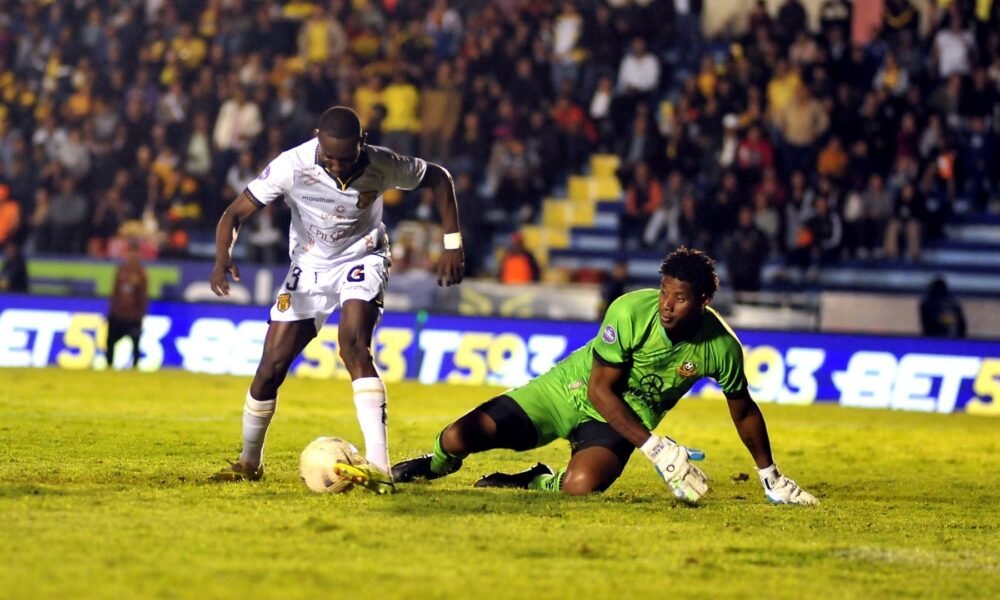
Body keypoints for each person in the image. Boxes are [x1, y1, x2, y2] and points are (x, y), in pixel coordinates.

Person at [392, 248, 818, 505]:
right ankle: (434, 465)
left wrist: (770, 476)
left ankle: (533, 480)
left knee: (579, 486)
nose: (667, 305)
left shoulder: (720, 348)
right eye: (665, 292)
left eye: (681, 298)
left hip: (624, 418)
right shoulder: (630, 310)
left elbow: (743, 411)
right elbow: (599, 388)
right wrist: (655, 448)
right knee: (457, 437)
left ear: (704, 301)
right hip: (569, 390)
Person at [208, 106, 464, 493]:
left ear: (362, 143)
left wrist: (452, 244)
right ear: (317, 139)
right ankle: (249, 461)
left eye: (345, 159)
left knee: (353, 347)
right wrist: (222, 258)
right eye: (329, 157)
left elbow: (440, 178)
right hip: (308, 269)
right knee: (270, 368)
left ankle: (379, 465)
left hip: (363, 258)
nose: (337, 166)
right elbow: (234, 213)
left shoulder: (382, 163)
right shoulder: (290, 166)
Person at [106, 241, 148, 369]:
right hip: (118, 314)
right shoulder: (121, 271)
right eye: (130, 253)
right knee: (110, 341)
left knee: (135, 343)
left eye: (135, 254)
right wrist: (112, 310)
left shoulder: (141, 274)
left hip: (133, 315)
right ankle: (109, 365)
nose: (132, 256)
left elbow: (143, 296)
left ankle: (135, 366)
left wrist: (140, 314)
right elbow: (115, 292)